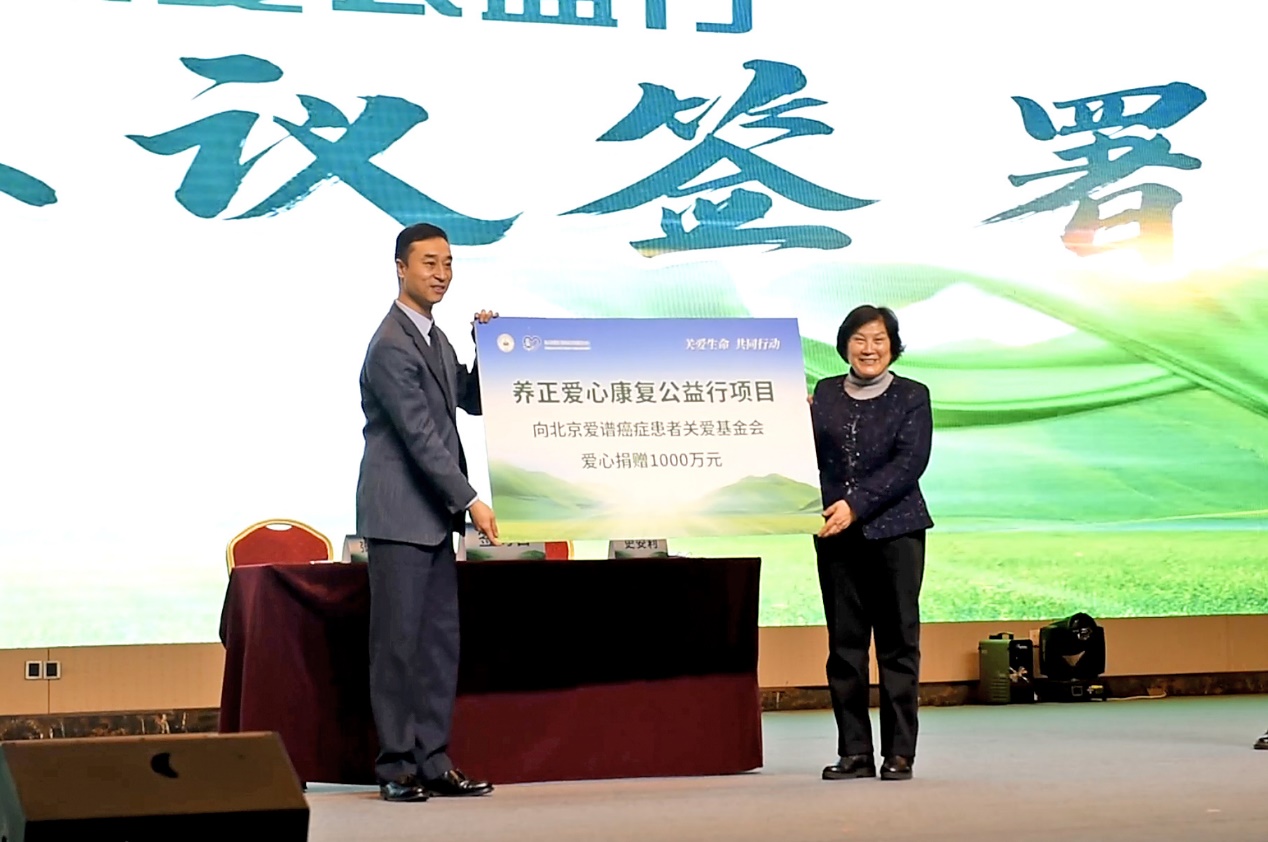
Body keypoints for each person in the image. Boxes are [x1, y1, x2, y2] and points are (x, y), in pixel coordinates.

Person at [356, 222, 501, 803]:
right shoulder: (391, 343)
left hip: (433, 521)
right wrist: (470, 499)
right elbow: (419, 436)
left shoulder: (435, 338)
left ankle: (434, 762)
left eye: (447, 263)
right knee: (396, 647)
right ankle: (396, 767)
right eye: (428, 263)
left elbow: (472, 399)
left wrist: (487, 345)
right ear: (401, 267)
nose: (441, 274)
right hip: (399, 518)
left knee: (439, 646)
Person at [810, 304, 933, 782]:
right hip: (836, 536)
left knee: (898, 645)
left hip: (897, 533)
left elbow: (909, 463)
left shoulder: (913, 395)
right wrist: (790, 418)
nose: (869, 349)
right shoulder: (823, 394)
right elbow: (808, 455)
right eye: (859, 339)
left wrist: (856, 505)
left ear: (893, 346)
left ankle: (900, 753)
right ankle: (855, 753)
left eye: (879, 339)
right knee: (845, 647)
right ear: (845, 345)